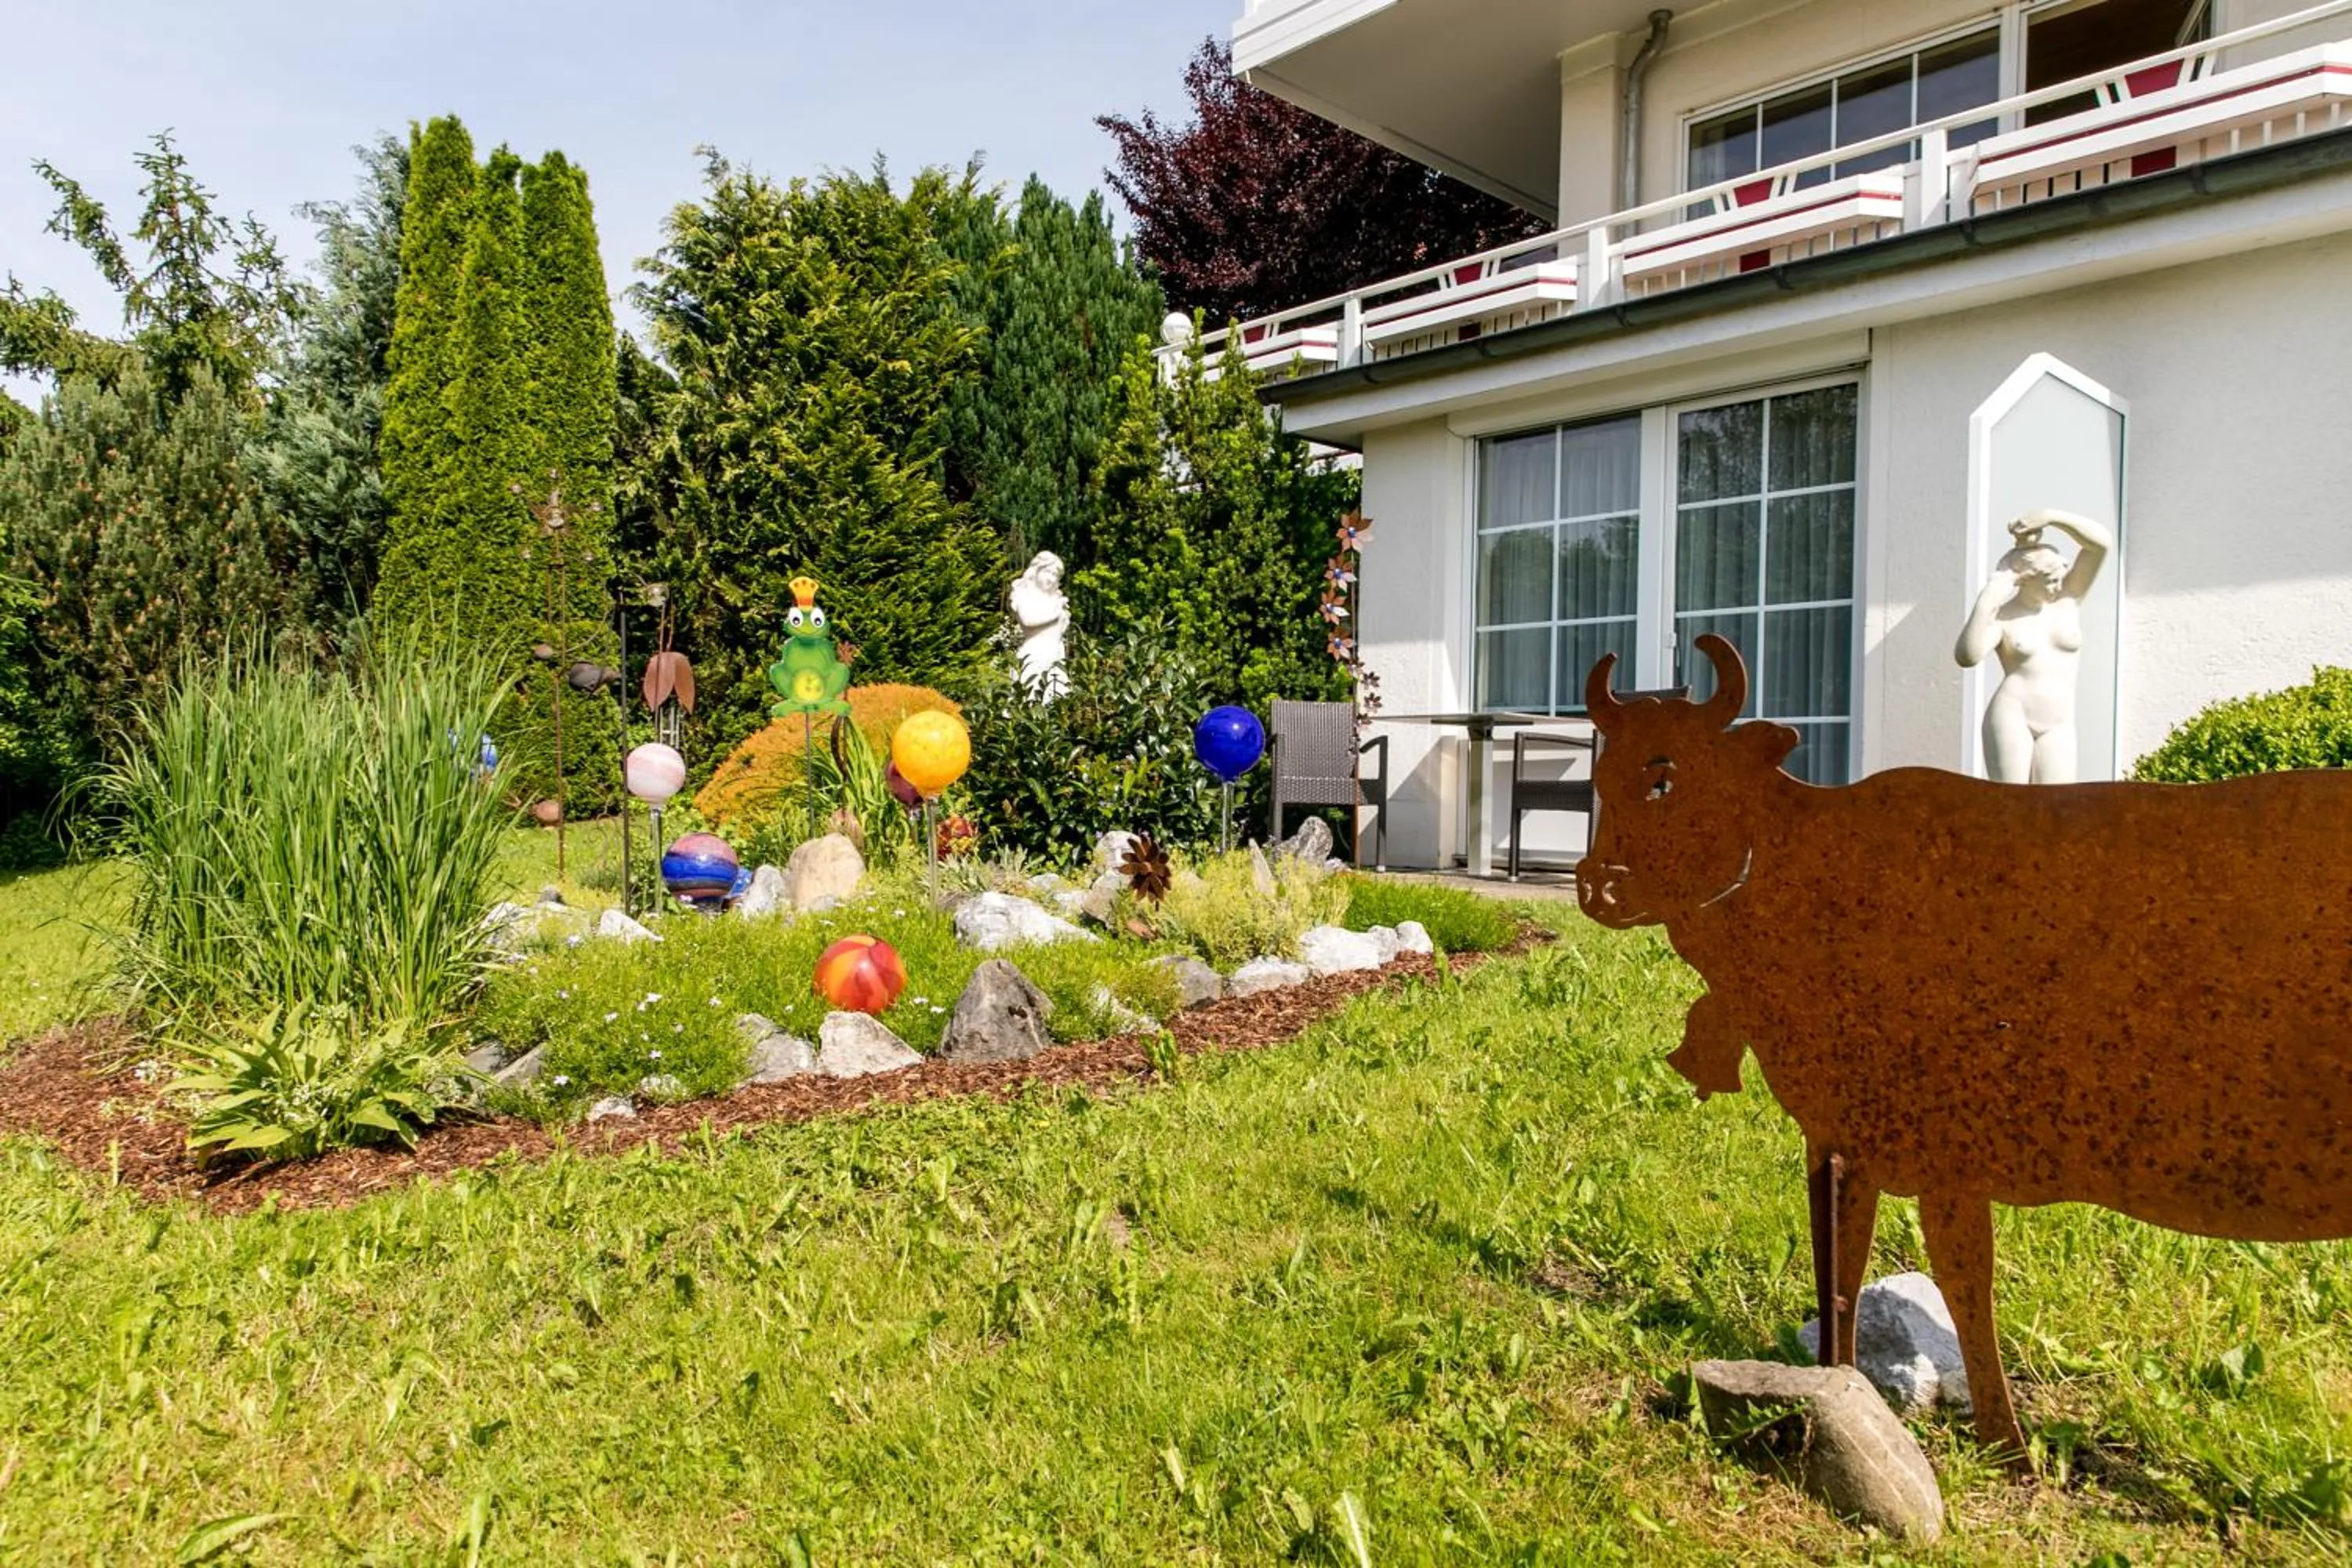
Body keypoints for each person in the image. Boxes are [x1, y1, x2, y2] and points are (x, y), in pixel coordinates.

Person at [1954, 507, 2113, 784]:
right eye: (2050, 581)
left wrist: (2052, 517)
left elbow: (2101, 545)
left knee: (2057, 809)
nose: (2057, 585)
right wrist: (1986, 601)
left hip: (2060, 721)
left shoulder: (2068, 600)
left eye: (2060, 578)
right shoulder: (2003, 616)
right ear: (2024, 581)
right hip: (2012, 714)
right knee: (2011, 808)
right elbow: (1968, 655)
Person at [1009, 550, 1070, 698]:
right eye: (1047, 572)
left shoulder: (1056, 599)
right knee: (1032, 695)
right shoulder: (1025, 595)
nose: (1051, 579)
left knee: (1057, 701)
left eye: (1055, 575)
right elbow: (1028, 620)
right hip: (1036, 654)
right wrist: (1057, 612)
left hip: (1056, 655)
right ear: (1036, 571)